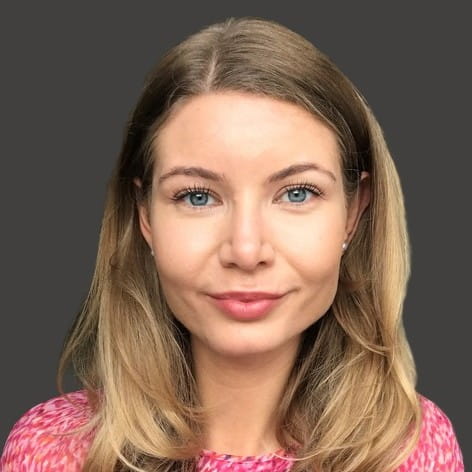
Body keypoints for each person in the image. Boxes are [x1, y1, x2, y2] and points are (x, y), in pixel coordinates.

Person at [0, 16, 464, 472]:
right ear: (145, 215)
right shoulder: (51, 452)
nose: (245, 250)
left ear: (353, 212)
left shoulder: (412, 452)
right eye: (197, 196)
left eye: (297, 193)